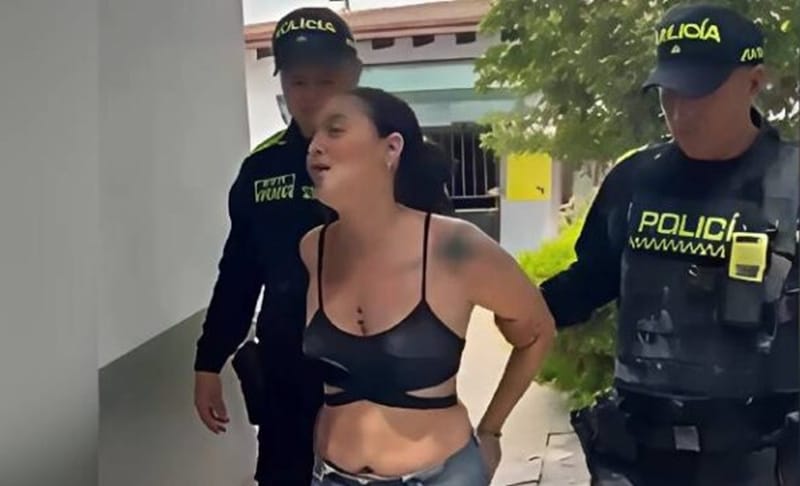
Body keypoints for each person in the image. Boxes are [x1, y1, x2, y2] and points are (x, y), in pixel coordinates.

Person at [542, 4, 799, 485]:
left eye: (700, 93)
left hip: (765, 462)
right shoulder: (635, 179)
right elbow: (590, 281)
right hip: (641, 459)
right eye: (670, 94)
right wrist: (516, 305)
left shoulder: (793, 183)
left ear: (754, 81)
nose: (682, 112)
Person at [299, 87, 556, 486]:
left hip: (441, 476)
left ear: (391, 148)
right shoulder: (313, 247)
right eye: (313, 134)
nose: (315, 146)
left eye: (334, 130)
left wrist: (491, 431)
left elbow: (537, 332)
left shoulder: (455, 247)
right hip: (332, 476)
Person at [192, 7, 362, 485]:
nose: (311, 95)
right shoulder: (261, 170)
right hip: (289, 371)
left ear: (354, 76)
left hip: (375, 375)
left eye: (326, 80)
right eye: (298, 81)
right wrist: (209, 361)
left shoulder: (398, 158)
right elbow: (239, 274)